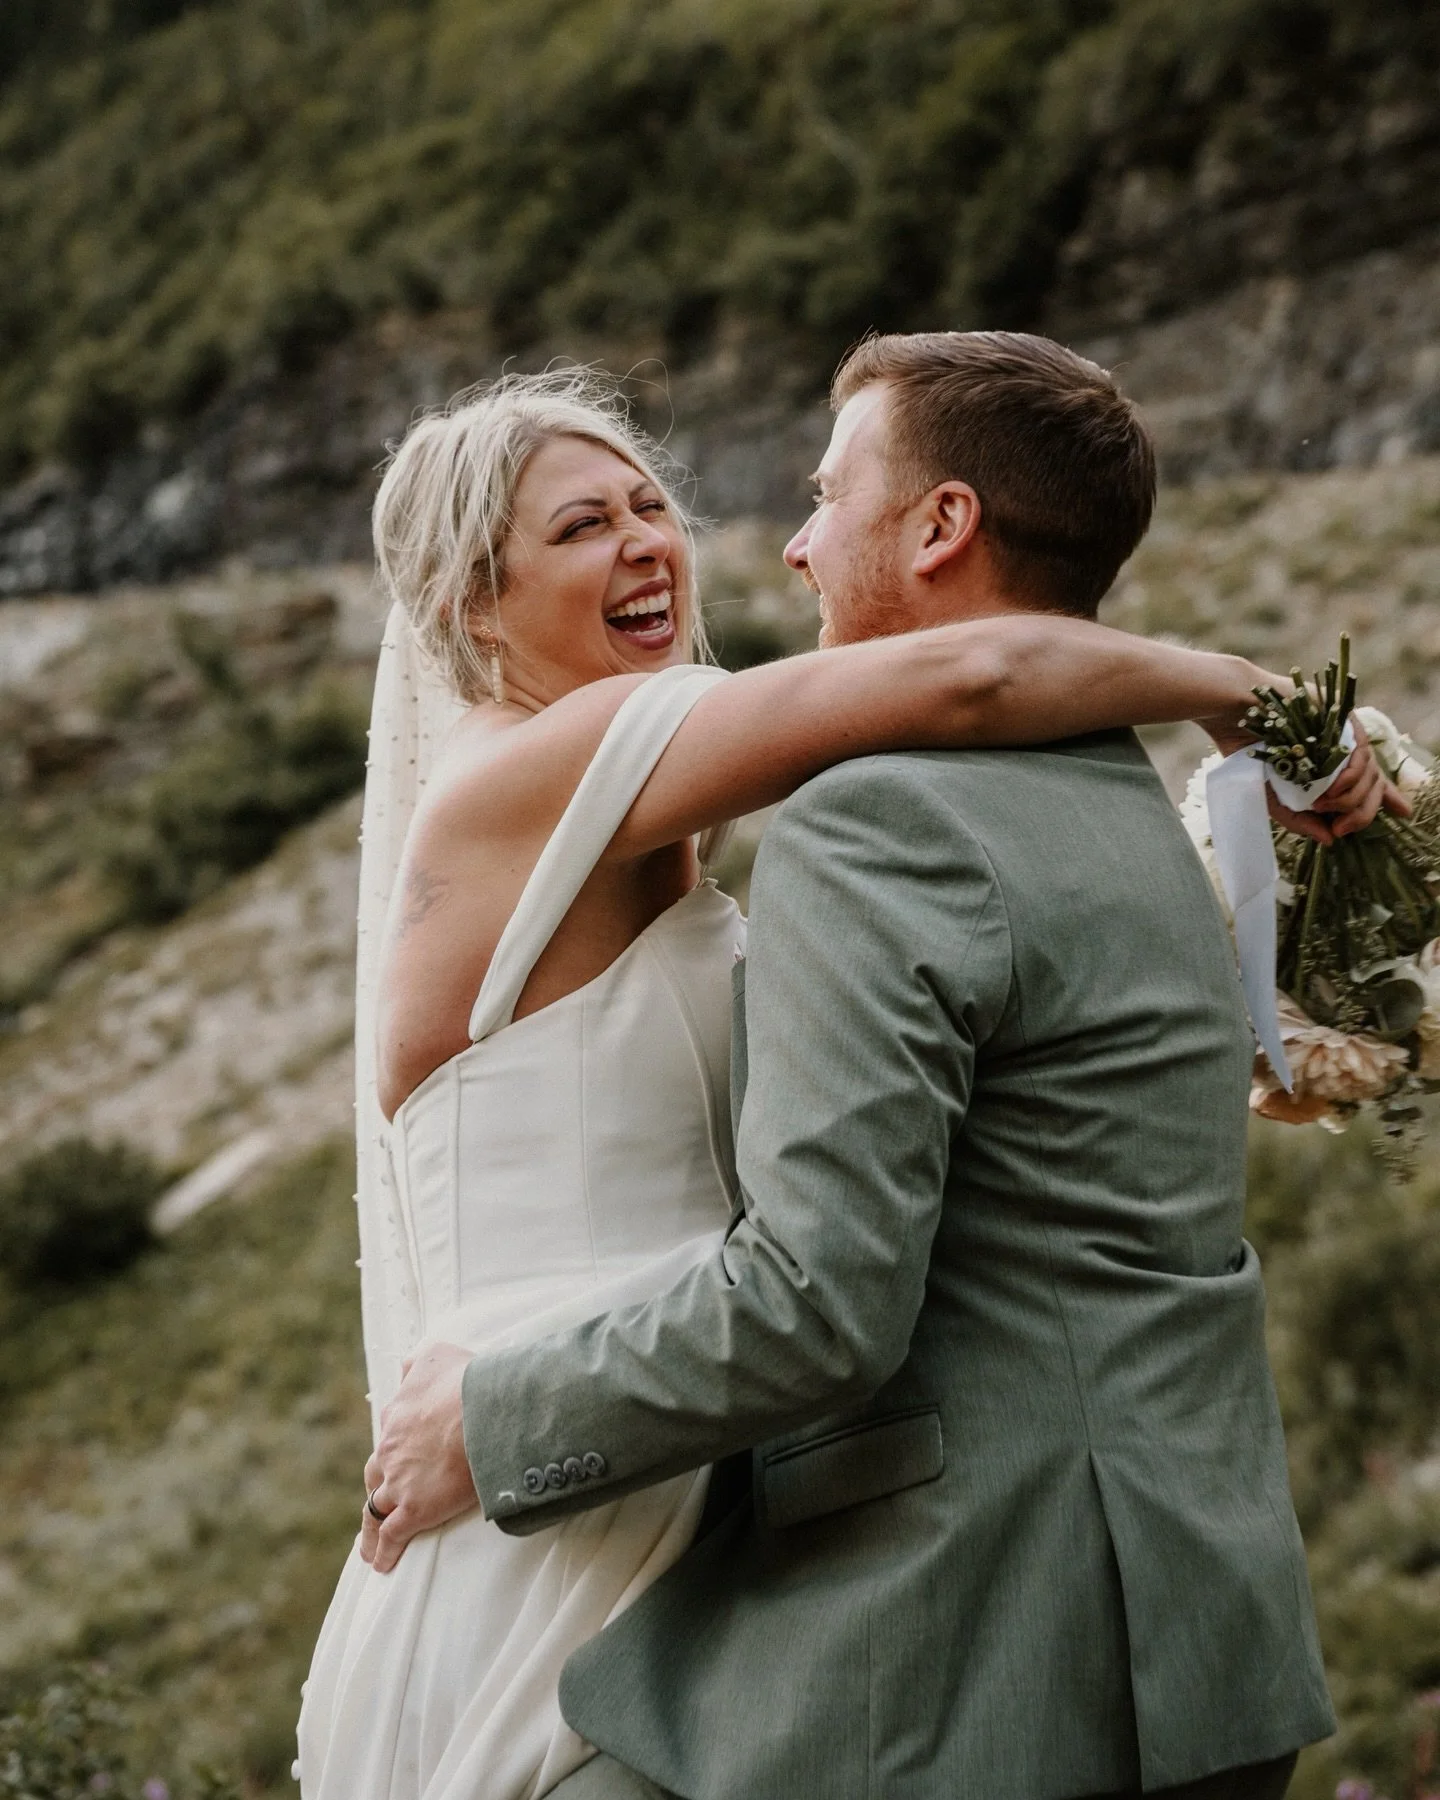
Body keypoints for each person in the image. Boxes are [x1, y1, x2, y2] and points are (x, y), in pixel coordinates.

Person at [312, 350, 1391, 1800]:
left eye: (648, 505)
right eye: (580, 528)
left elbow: (981, 673)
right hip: (565, 1449)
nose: (651, 544)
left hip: (699, 1451)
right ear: (465, 607)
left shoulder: (779, 816)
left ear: (940, 525)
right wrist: (1252, 700)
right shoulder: (523, 783)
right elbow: (977, 666)